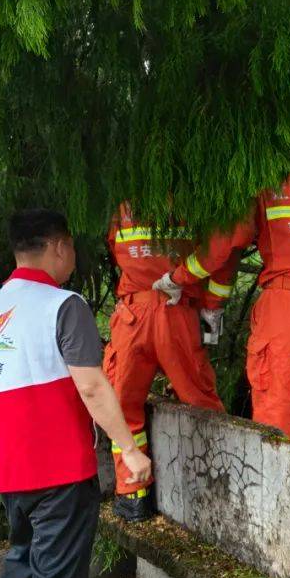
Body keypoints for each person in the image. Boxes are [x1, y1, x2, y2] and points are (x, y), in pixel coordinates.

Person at [0, 209, 151, 578]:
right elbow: (91, 385)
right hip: (60, 475)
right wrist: (129, 448)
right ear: (60, 246)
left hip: (9, 475)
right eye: (70, 248)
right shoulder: (64, 306)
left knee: (23, 564)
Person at [153, 174, 290, 445]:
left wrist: (178, 278)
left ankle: (272, 485)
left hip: (284, 306)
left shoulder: (265, 195)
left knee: (274, 419)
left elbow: (222, 249)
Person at [104, 202, 238, 521]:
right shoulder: (192, 201)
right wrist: (211, 308)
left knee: (122, 405)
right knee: (200, 400)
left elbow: (116, 249)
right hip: (175, 312)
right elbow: (221, 259)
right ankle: (220, 484)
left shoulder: (122, 207)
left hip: (132, 316)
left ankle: (133, 494)